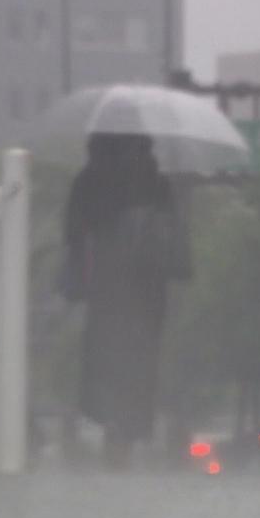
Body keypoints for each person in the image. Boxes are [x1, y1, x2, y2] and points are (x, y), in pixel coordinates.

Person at [64, 133, 185, 469]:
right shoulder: (156, 183)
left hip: (107, 289)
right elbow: (173, 238)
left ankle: (112, 429)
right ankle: (126, 436)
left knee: (104, 360)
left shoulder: (90, 180)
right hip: (149, 292)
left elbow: (73, 232)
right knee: (141, 363)